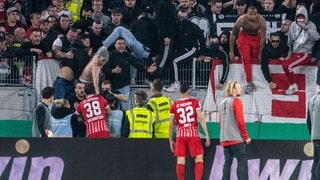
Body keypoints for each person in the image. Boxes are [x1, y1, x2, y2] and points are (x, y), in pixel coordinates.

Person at [169, 84, 210, 180]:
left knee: (180, 161)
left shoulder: (174, 105)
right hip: (193, 135)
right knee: (199, 159)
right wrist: (207, 135)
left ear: (180, 92)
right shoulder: (195, 102)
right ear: (189, 91)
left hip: (180, 136)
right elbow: (200, 118)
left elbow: (171, 124)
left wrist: (170, 139)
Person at [165, 10, 207, 92]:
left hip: (191, 49)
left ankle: (176, 83)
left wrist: (202, 53)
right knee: (170, 58)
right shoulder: (176, 27)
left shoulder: (193, 27)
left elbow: (202, 40)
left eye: (184, 17)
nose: (182, 19)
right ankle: (171, 81)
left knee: (174, 61)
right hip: (181, 50)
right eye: (180, 17)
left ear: (187, 17)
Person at [282, 6, 320, 95]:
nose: (300, 19)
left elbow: (317, 37)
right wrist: (289, 54)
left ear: (306, 17)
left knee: (287, 66)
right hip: (295, 52)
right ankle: (292, 84)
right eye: (299, 17)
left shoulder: (311, 25)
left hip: (305, 53)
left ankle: (293, 85)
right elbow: (290, 41)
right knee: (285, 65)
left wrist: (306, 29)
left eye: (302, 17)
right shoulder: (293, 25)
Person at [229, 6, 266, 95]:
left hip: (256, 37)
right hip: (243, 37)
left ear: (257, 14)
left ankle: (259, 80)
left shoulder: (261, 20)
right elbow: (233, 35)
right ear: (246, 13)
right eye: (250, 14)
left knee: (255, 58)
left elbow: (262, 37)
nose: (252, 16)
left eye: (254, 14)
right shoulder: (241, 19)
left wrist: (261, 53)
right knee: (246, 58)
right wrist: (231, 51)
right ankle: (249, 82)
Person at [219, 80, 251, 180]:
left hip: (224, 139)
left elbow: (220, 122)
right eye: (239, 87)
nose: (241, 89)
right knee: (242, 161)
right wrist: (246, 136)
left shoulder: (222, 102)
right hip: (236, 139)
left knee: (227, 163)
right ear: (233, 90)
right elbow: (240, 120)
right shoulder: (236, 101)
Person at [307, 89, 320, 180]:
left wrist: (312, 135)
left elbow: (308, 121)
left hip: (315, 136)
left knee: (316, 162)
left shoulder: (312, 99)